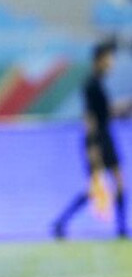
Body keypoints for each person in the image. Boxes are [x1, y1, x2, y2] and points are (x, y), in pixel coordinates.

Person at [53, 41, 131, 238]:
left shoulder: (98, 84)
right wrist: (92, 147)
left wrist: (125, 105)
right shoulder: (91, 85)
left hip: (105, 137)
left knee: (117, 182)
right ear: (100, 59)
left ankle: (121, 228)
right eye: (109, 58)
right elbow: (90, 119)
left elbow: (106, 112)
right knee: (96, 187)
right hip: (98, 140)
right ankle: (61, 221)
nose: (112, 62)